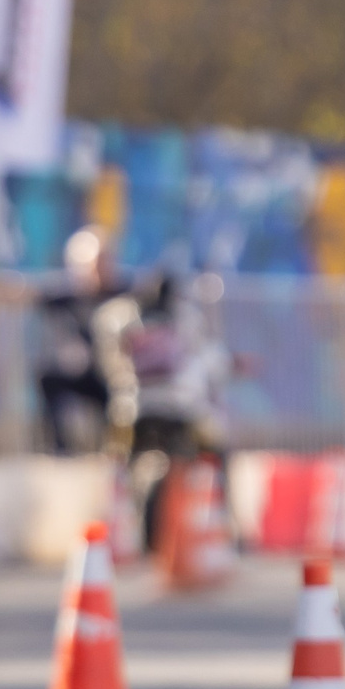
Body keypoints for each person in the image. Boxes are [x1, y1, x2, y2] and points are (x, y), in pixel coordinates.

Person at [93, 270, 234, 555]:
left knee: (118, 464)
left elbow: (109, 363)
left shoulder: (117, 318)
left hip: (131, 411)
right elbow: (210, 360)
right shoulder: (185, 319)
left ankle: (114, 526)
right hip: (179, 411)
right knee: (216, 452)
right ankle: (223, 522)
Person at [36, 229, 122, 454]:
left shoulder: (122, 294)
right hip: (87, 372)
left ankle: (114, 447)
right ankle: (60, 448)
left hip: (117, 374)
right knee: (48, 379)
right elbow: (21, 294)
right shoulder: (70, 297)